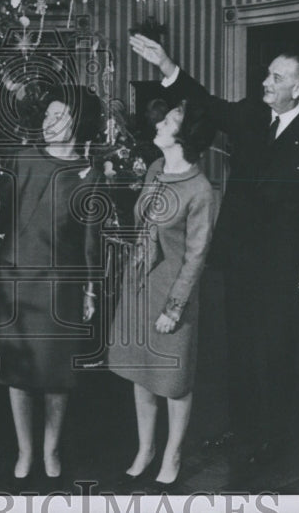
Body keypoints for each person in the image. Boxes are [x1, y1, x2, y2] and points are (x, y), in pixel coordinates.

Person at [129, 34, 299, 476]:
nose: (265, 82)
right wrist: (167, 65)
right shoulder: (253, 114)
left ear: (298, 88)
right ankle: (243, 428)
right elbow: (208, 103)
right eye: (267, 73)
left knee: (271, 354)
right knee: (238, 346)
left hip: (279, 266)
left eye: (276, 78)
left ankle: (271, 439)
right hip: (237, 258)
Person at [0, 85, 102, 485]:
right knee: (18, 373)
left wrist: (89, 289)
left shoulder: (88, 172)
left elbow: (89, 237)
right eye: (46, 116)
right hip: (16, 280)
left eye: (58, 116)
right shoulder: (23, 158)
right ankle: (25, 450)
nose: (48, 123)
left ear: (78, 121)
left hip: (59, 287)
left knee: (55, 374)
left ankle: (50, 448)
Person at [108, 99, 216, 491]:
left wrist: (174, 307)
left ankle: (172, 453)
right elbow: (143, 224)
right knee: (142, 371)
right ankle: (146, 449)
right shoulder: (155, 170)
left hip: (174, 292)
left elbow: (196, 256)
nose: (159, 123)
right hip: (140, 283)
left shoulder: (201, 189)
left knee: (173, 379)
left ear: (185, 136)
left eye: (169, 120)